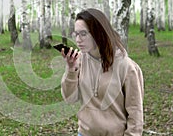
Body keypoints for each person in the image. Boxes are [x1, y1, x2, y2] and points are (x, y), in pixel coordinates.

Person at [60, 8, 144, 136]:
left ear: (99, 33)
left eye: (83, 34)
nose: (78, 40)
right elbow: (70, 99)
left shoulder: (126, 66)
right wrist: (71, 70)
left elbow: (135, 112)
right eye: (75, 34)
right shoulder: (80, 60)